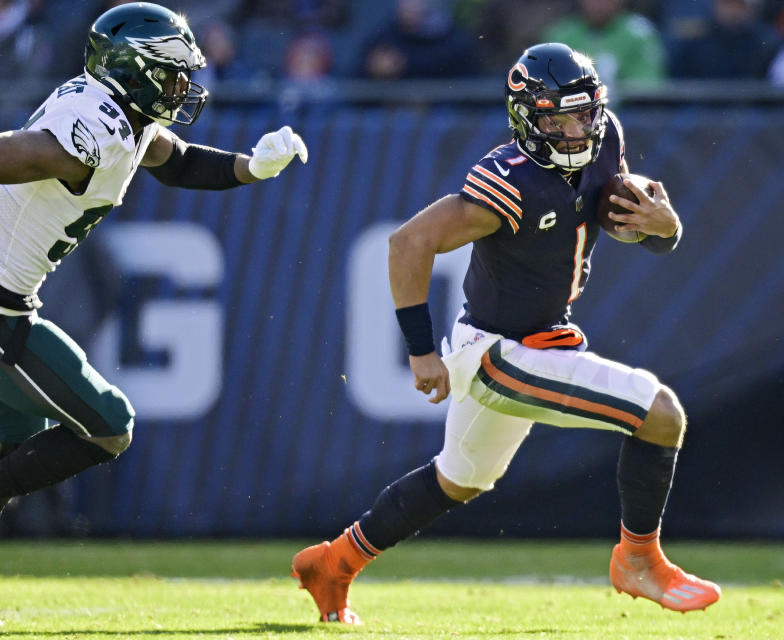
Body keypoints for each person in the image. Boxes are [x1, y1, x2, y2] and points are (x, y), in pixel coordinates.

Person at [0, 2, 307, 626]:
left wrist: (254, 167)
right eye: (169, 72)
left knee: (11, 449)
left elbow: (178, 160)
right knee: (110, 426)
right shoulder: (92, 132)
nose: (182, 86)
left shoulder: (124, 118)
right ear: (131, 69)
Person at [290, 42, 720, 625]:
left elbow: (635, 225)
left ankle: (332, 562)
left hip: (544, 337)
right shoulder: (509, 181)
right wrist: (420, 352)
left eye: (584, 113)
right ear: (526, 119)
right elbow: (409, 242)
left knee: (459, 480)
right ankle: (638, 560)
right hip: (498, 352)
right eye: (558, 118)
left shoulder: (605, 139)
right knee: (660, 412)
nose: (576, 129)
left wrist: (665, 229)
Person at [542, 0, 666, 89]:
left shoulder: (640, 34)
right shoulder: (561, 35)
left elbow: (647, 87)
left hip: (626, 115)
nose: (599, 4)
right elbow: (546, 84)